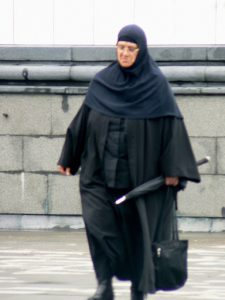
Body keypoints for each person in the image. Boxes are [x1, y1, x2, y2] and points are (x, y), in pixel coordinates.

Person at [58, 24, 200, 300]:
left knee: (138, 237)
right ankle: (104, 285)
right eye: (120, 48)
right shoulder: (102, 82)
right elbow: (83, 121)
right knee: (98, 226)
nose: (124, 53)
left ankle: (138, 289)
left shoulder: (156, 86)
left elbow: (172, 128)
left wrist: (174, 170)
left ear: (141, 51)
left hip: (140, 181)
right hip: (98, 177)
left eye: (130, 49)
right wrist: (69, 157)